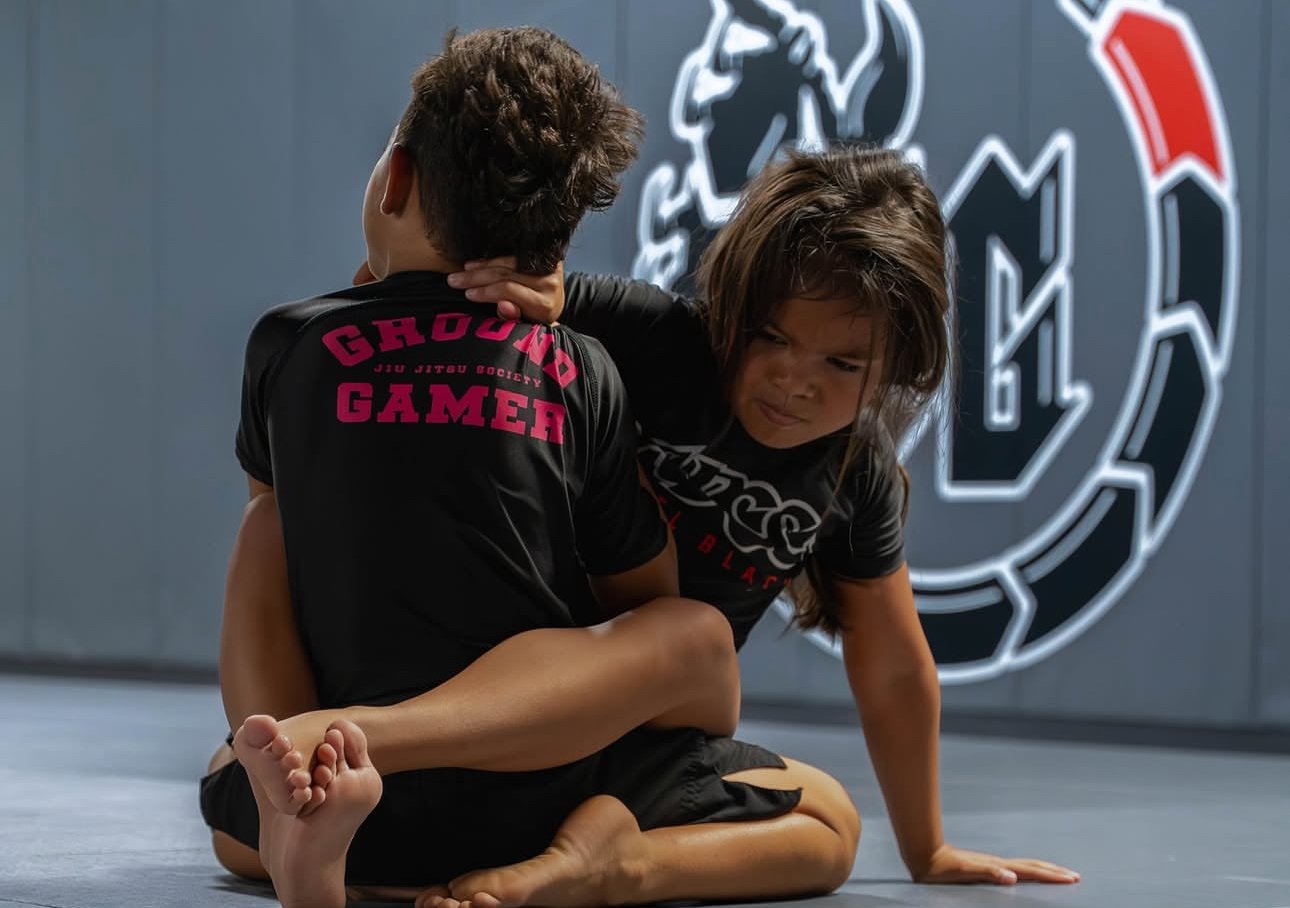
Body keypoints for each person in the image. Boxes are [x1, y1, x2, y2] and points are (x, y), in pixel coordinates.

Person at [202, 26, 785, 908]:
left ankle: (302, 786)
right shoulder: (578, 367)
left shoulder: (290, 343)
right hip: (539, 801)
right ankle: (572, 858)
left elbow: (288, 536)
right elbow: (640, 591)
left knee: (266, 535)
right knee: (745, 707)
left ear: (396, 176)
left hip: (360, 819)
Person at [427, 144, 1082, 905]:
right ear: (733, 304)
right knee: (691, 636)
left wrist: (927, 846)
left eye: (842, 366)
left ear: (900, 366)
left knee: (831, 828)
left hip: (637, 758)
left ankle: (614, 865)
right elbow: (511, 300)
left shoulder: (851, 475)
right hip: (517, 691)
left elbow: (897, 670)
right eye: (771, 337)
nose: (794, 381)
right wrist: (509, 290)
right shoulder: (650, 337)